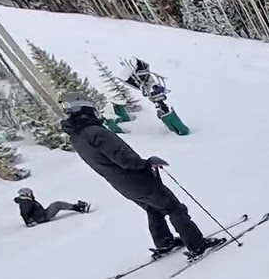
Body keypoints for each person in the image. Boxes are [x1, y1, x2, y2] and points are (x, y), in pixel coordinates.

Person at [60, 92, 224, 259]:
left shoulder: (77, 138)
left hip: (121, 185)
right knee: (174, 208)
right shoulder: (95, 132)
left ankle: (164, 242)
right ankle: (198, 245)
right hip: (137, 179)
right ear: (84, 109)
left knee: (153, 209)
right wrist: (146, 163)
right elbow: (123, 158)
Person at [14, 187, 90, 227]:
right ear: (27, 195)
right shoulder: (26, 203)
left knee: (57, 204)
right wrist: (28, 222)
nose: (32, 195)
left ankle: (76, 207)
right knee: (57, 204)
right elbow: (24, 213)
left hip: (41, 214)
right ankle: (79, 208)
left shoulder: (27, 202)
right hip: (42, 217)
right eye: (31, 194)